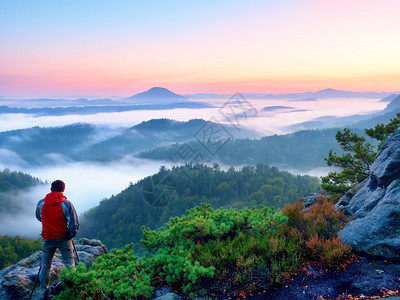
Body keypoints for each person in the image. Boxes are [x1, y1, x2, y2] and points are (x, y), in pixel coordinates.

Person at [35, 180, 79, 299]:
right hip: (63, 238)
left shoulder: (41, 203)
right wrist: (69, 235)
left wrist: (49, 224)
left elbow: (39, 217)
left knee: (45, 266)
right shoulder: (66, 203)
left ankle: (43, 293)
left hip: (47, 238)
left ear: (51, 189)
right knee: (70, 264)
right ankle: (73, 290)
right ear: (63, 190)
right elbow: (74, 224)